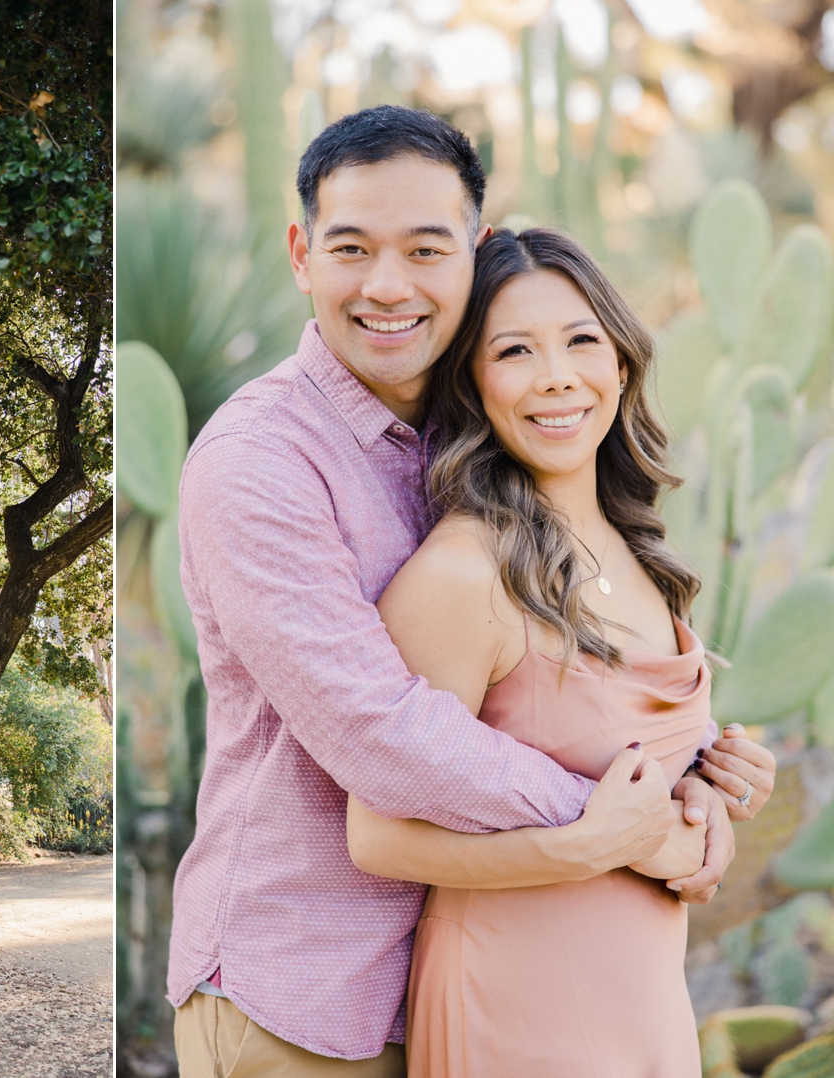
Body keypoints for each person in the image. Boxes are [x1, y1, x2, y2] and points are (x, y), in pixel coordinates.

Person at [167, 105, 777, 1076]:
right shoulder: (259, 464)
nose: (387, 285)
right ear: (300, 253)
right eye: (352, 248)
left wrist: (699, 769)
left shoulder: (478, 442)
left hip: (463, 976)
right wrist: (626, 822)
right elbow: (384, 733)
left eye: (425, 248)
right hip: (302, 998)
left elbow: (539, 688)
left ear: (475, 252)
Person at [343, 225, 740, 1074]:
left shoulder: (640, 556)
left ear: (621, 365)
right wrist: (590, 847)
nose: (557, 374)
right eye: (515, 350)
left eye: (581, 340)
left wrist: (711, 794)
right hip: (514, 1010)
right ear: (474, 383)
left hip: (645, 1006)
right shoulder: (462, 575)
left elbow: (629, 757)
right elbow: (379, 837)